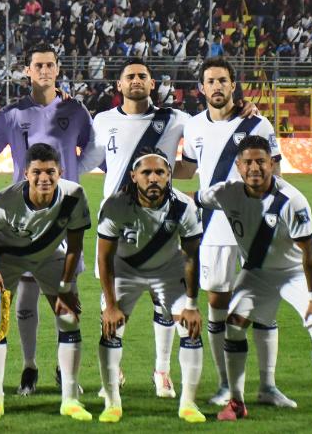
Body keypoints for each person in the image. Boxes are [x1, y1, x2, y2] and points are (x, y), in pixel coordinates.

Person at [195, 136, 312, 426]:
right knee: (233, 326)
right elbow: (193, 198)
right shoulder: (226, 192)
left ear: (272, 164)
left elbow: (309, 252)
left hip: (298, 272)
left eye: (261, 161)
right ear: (238, 166)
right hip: (259, 272)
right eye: (248, 162)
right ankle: (236, 402)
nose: (255, 168)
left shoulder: (292, 201)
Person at [0, 42, 96, 396]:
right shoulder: (12, 114)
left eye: (49, 65)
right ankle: (29, 367)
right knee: (26, 298)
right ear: (27, 70)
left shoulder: (75, 110)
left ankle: (64, 369)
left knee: (65, 294)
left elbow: (94, 147)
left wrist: (74, 171)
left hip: (62, 212)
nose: (44, 70)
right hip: (23, 217)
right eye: (37, 65)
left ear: (58, 68)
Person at [178, 57, 294, 408]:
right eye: (210, 81)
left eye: (222, 80)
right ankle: (226, 385)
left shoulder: (257, 122)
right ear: (201, 88)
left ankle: (268, 385)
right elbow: (188, 169)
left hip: (258, 228)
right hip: (214, 228)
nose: (217, 86)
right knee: (217, 304)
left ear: (233, 84)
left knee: (264, 308)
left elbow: (277, 173)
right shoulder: (193, 127)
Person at [0, 143, 92, 422]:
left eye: (50, 172)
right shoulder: (6, 199)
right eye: (37, 172)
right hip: (9, 257)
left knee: (69, 317)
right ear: (26, 174)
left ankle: (70, 399)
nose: (44, 178)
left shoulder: (74, 195)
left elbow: (75, 245)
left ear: (60, 172)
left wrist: (65, 287)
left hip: (48, 255)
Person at [96, 150, 205, 424]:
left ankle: (188, 404)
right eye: (146, 173)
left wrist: (192, 305)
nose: (153, 178)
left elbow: (191, 257)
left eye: (160, 172)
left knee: (190, 329)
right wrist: (110, 305)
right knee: (111, 329)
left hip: (168, 272)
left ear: (169, 176)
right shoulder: (115, 205)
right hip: (125, 271)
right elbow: (104, 258)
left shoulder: (185, 207)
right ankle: (112, 403)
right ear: (134, 176)